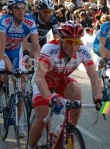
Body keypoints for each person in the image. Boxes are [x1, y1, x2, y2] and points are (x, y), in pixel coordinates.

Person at [28, 20, 102, 149]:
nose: (73, 47)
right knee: (41, 120)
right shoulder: (49, 48)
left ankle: (66, 130)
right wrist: (49, 97)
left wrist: (98, 98)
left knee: (76, 95)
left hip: (62, 81)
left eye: (77, 42)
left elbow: (94, 77)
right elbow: (39, 76)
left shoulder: (83, 51)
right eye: (69, 42)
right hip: (44, 82)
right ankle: (30, 147)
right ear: (61, 41)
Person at [0, 0, 41, 136]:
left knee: (21, 84)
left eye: (23, 7)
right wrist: (0, 66)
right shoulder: (5, 21)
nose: (21, 10)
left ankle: (19, 123)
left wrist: (39, 67)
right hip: (1, 49)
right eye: (17, 7)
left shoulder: (30, 22)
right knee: (7, 69)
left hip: (15, 50)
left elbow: (37, 46)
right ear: (11, 10)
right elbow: (1, 45)